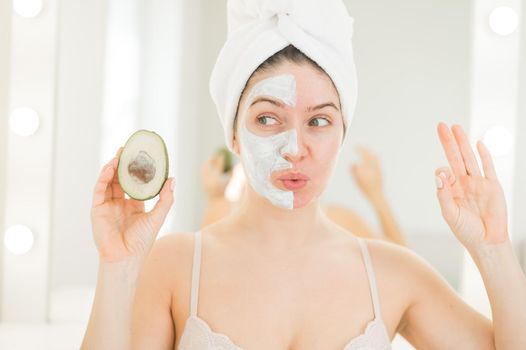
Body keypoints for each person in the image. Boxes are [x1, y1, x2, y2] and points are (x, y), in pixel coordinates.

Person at [81, 0, 526, 349]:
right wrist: (117, 268)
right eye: (268, 119)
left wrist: (494, 251)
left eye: (318, 121)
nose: (296, 149)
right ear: (234, 135)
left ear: (342, 134)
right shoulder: (174, 266)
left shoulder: (395, 275)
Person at [201, 145, 407, 245]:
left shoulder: (341, 221)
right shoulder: (341, 221)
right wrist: (376, 195)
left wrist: (376, 194)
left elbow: (406, 272)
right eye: (266, 120)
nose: (292, 150)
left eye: (315, 123)